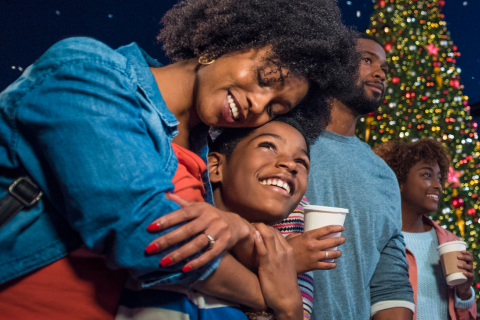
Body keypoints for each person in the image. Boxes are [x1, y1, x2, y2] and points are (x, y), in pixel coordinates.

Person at [0, 0, 359, 318]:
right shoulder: (88, 72)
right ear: (227, 41)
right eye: (265, 78)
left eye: (276, 108)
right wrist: (273, 296)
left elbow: (207, 241)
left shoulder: (202, 150)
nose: (259, 104)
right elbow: (144, 238)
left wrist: (239, 232)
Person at [116, 117, 345, 320]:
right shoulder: (182, 234)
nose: (291, 164)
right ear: (215, 166)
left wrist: (290, 308)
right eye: (268, 145)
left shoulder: (286, 265)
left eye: (302, 162)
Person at [302, 33, 415, 319]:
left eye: (384, 69)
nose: (380, 73)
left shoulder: (384, 176)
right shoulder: (280, 144)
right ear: (334, 65)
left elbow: (390, 284)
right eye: (367, 60)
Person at [374, 139, 477, 320]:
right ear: (399, 181)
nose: (438, 185)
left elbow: (466, 317)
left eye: (439, 177)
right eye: (427, 175)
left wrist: (464, 292)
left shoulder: (449, 241)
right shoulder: (380, 239)